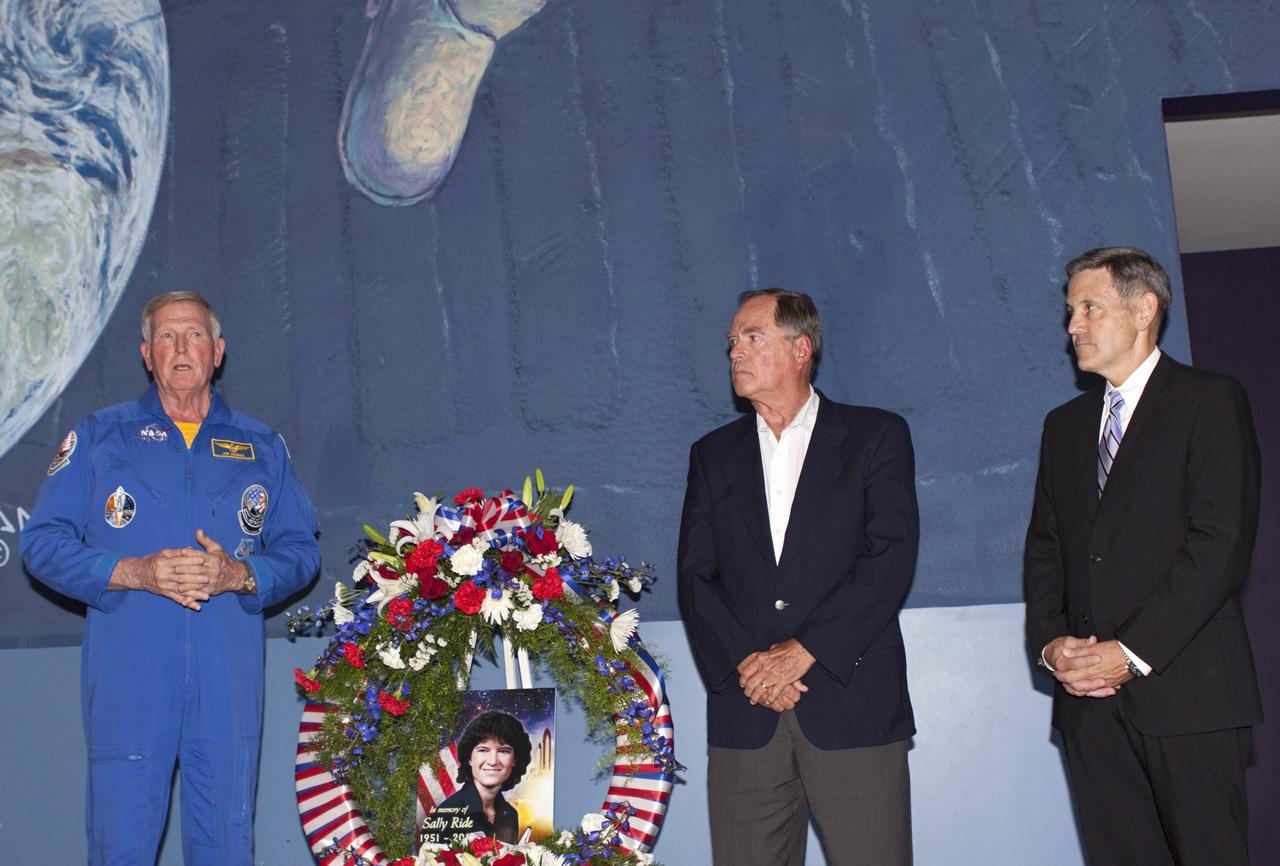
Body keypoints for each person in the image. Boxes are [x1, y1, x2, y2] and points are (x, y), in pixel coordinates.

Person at [21, 291, 321, 865]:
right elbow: (41, 544)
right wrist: (132, 571)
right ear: (146, 354)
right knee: (121, 847)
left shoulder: (261, 446)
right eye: (166, 336)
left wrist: (240, 574)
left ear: (218, 351)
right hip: (131, 679)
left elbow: (301, 551)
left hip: (225, 682)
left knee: (225, 848)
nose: (181, 347)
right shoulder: (99, 437)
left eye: (194, 335)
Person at [1024, 247, 1262, 866]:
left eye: (1089, 307)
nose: (1072, 325)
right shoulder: (1064, 426)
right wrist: (1053, 648)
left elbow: (1221, 544)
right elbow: (1046, 552)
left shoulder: (1209, 400)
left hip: (1191, 697)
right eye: (1070, 310)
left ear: (1144, 309)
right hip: (1088, 708)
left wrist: (1128, 654)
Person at [678, 289, 919, 866]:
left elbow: (889, 557)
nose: (735, 351)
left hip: (851, 702)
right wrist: (751, 666)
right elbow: (695, 577)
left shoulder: (875, 436)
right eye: (732, 342)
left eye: (752, 338)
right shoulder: (712, 455)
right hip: (746, 711)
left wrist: (804, 651)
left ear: (800, 348)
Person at [433, 710, 532, 842]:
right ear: (469, 757)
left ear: (515, 760)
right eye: (483, 750)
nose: (492, 761)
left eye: (504, 751)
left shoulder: (510, 814)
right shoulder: (446, 815)